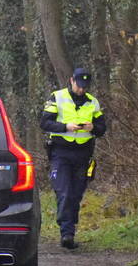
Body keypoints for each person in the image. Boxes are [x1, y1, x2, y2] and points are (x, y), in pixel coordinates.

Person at [39, 67, 106, 250]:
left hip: (83, 155)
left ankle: (69, 230)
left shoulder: (93, 103)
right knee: (64, 191)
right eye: (79, 85)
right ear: (71, 81)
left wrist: (93, 127)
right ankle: (66, 234)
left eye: (85, 86)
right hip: (60, 153)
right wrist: (66, 127)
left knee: (75, 194)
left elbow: (102, 128)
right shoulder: (57, 97)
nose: (81, 89)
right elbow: (45, 123)